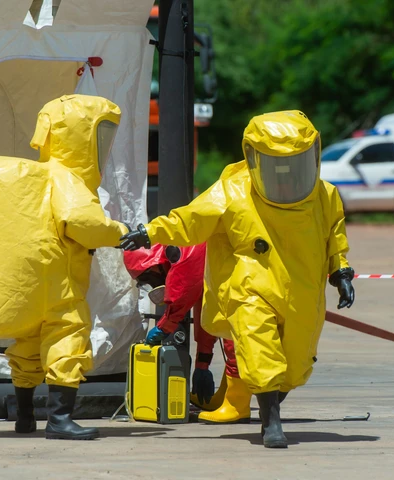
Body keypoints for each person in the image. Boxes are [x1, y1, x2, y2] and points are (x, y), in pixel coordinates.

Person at [120, 110, 355, 448]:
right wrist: (151, 233)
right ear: (255, 159)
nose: (285, 175)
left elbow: (334, 236)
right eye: (276, 165)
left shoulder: (324, 195)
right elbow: (191, 219)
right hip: (251, 287)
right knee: (259, 349)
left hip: (304, 289)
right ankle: (271, 421)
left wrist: (341, 272)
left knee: (298, 360)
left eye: (294, 164)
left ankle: (269, 402)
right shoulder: (232, 192)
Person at [0, 94, 129, 440]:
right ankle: (59, 420)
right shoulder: (69, 180)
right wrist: (121, 232)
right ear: (82, 135)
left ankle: (25, 417)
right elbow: (81, 222)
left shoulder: (40, 175)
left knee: (27, 346)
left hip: (30, 287)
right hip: (61, 286)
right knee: (69, 338)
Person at [122, 244, 251, 424]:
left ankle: (238, 406)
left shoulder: (184, 254)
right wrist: (202, 365)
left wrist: (164, 326)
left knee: (235, 341)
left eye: (148, 277)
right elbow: (206, 319)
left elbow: (180, 296)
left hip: (243, 282)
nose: (153, 283)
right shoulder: (187, 256)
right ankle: (228, 396)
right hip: (230, 281)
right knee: (228, 333)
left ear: (155, 263)